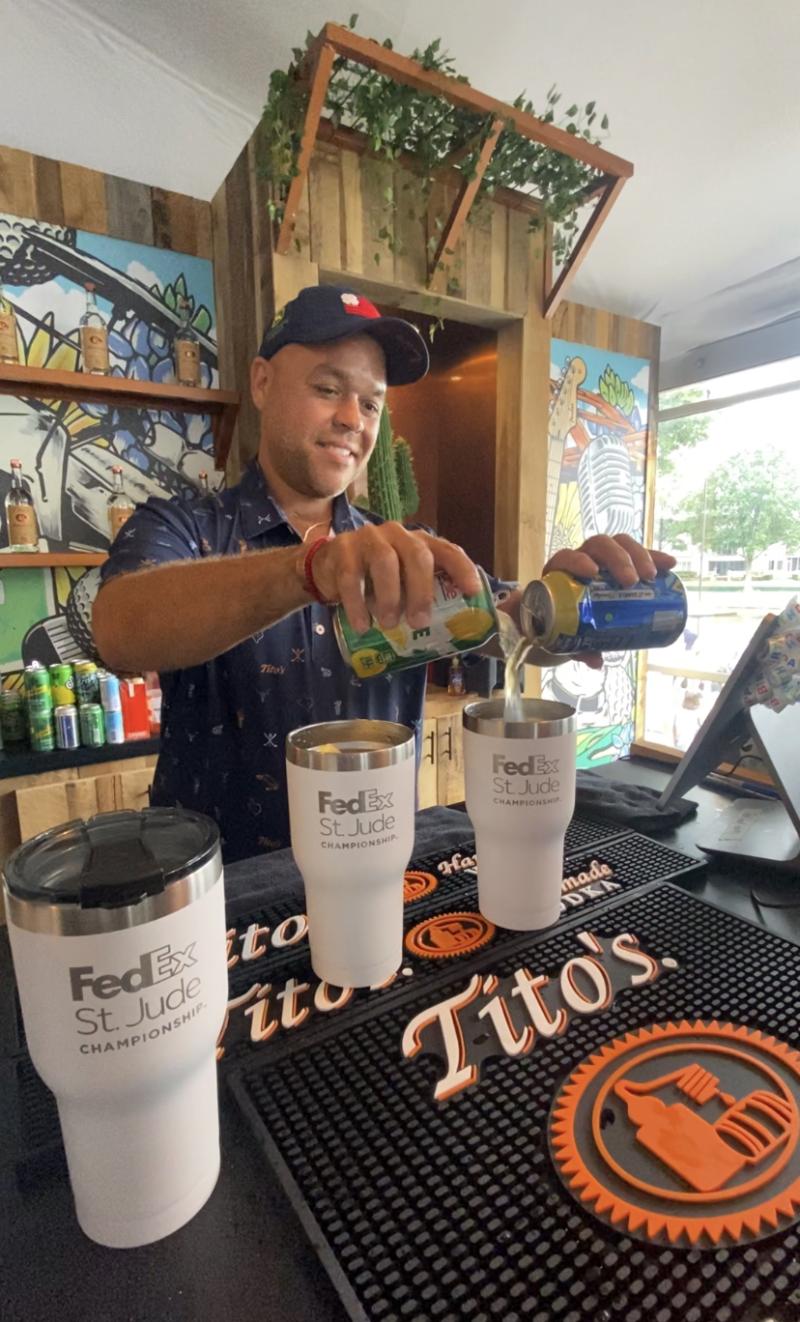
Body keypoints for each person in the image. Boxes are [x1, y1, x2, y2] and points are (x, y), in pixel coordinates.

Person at [93, 285, 673, 861]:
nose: (352, 419)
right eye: (327, 389)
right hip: (228, 902)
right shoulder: (184, 526)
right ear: (263, 382)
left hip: (384, 874)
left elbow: (506, 626)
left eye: (371, 404)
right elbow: (121, 629)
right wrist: (310, 569)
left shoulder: (407, 552)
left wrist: (563, 609)